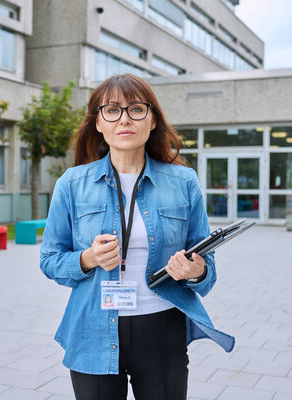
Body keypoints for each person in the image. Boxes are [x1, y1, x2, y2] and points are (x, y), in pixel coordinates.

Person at [40, 74, 234, 400]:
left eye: (136, 109)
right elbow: (49, 260)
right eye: (112, 110)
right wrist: (87, 259)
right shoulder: (72, 183)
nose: (125, 119)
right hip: (92, 329)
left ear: (153, 119)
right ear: (98, 123)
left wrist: (196, 270)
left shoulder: (183, 181)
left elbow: (207, 270)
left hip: (161, 328)